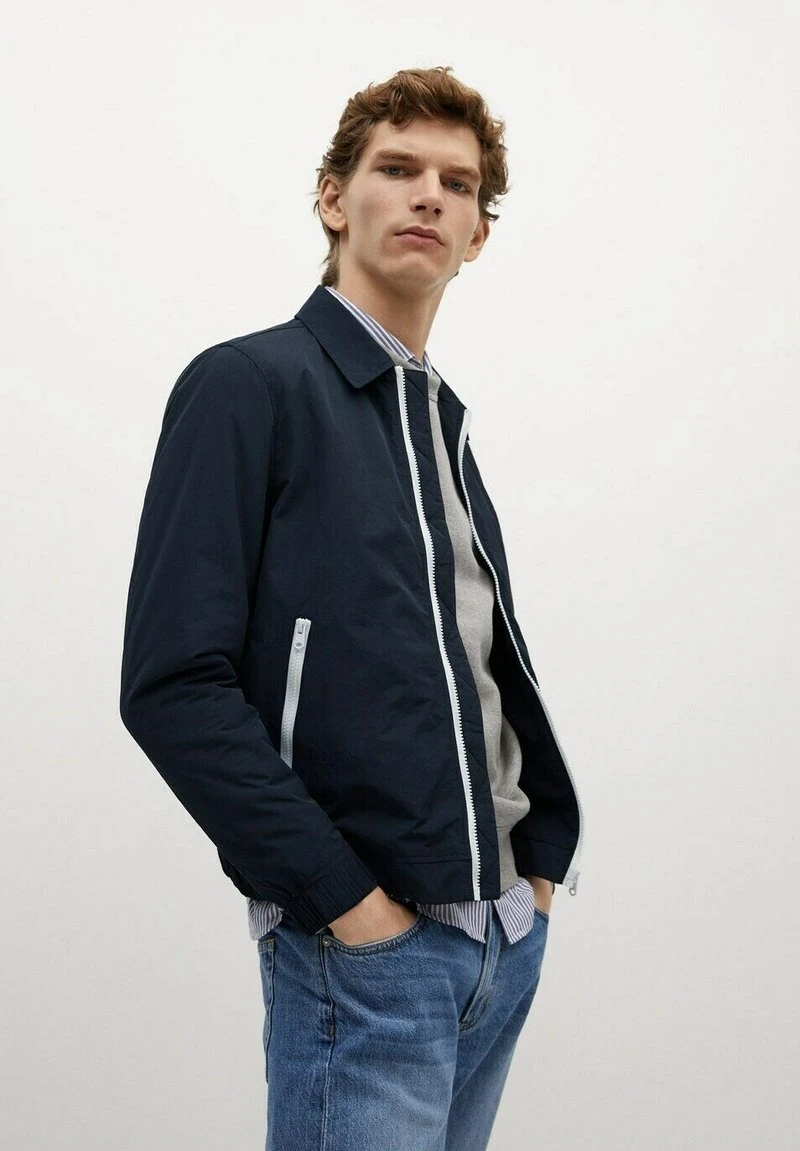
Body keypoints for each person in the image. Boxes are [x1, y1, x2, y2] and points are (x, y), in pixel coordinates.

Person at [120, 64, 583, 1151]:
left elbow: (475, 665)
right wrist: (348, 905)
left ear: (478, 234)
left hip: (498, 940)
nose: (429, 195)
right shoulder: (250, 385)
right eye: (397, 168)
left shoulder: (438, 424)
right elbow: (172, 684)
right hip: (366, 955)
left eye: (457, 184)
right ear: (334, 198)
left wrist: (536, 879)